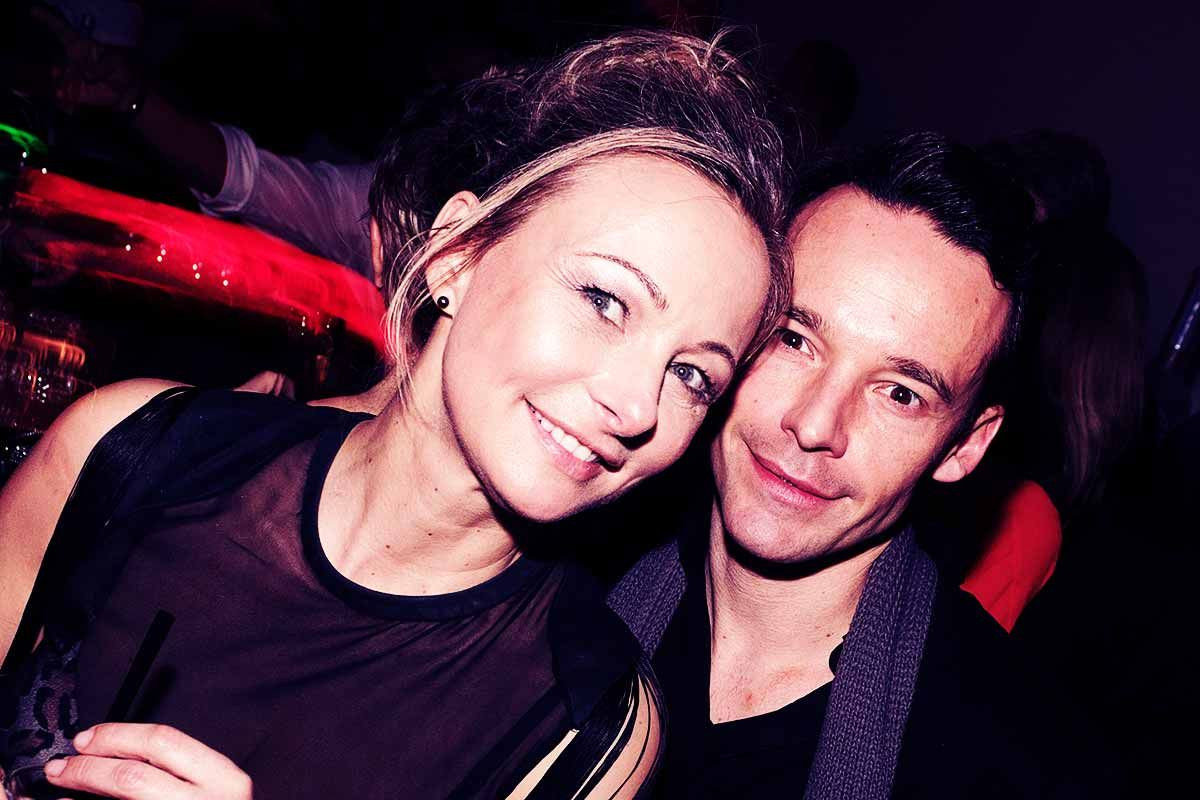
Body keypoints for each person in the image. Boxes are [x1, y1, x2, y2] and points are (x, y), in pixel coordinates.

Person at [0, 29, 792, 800]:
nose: (636, 405)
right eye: (603, 299)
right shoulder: (131, 450)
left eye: (692, 375)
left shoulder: (588, 729)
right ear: (456, 254)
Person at [606, 132, 1108, 798]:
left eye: (899, 393)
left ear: (964, 446)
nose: (815, 425)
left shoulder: (1012, 763)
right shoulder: (563, 566)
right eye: (794, 339)